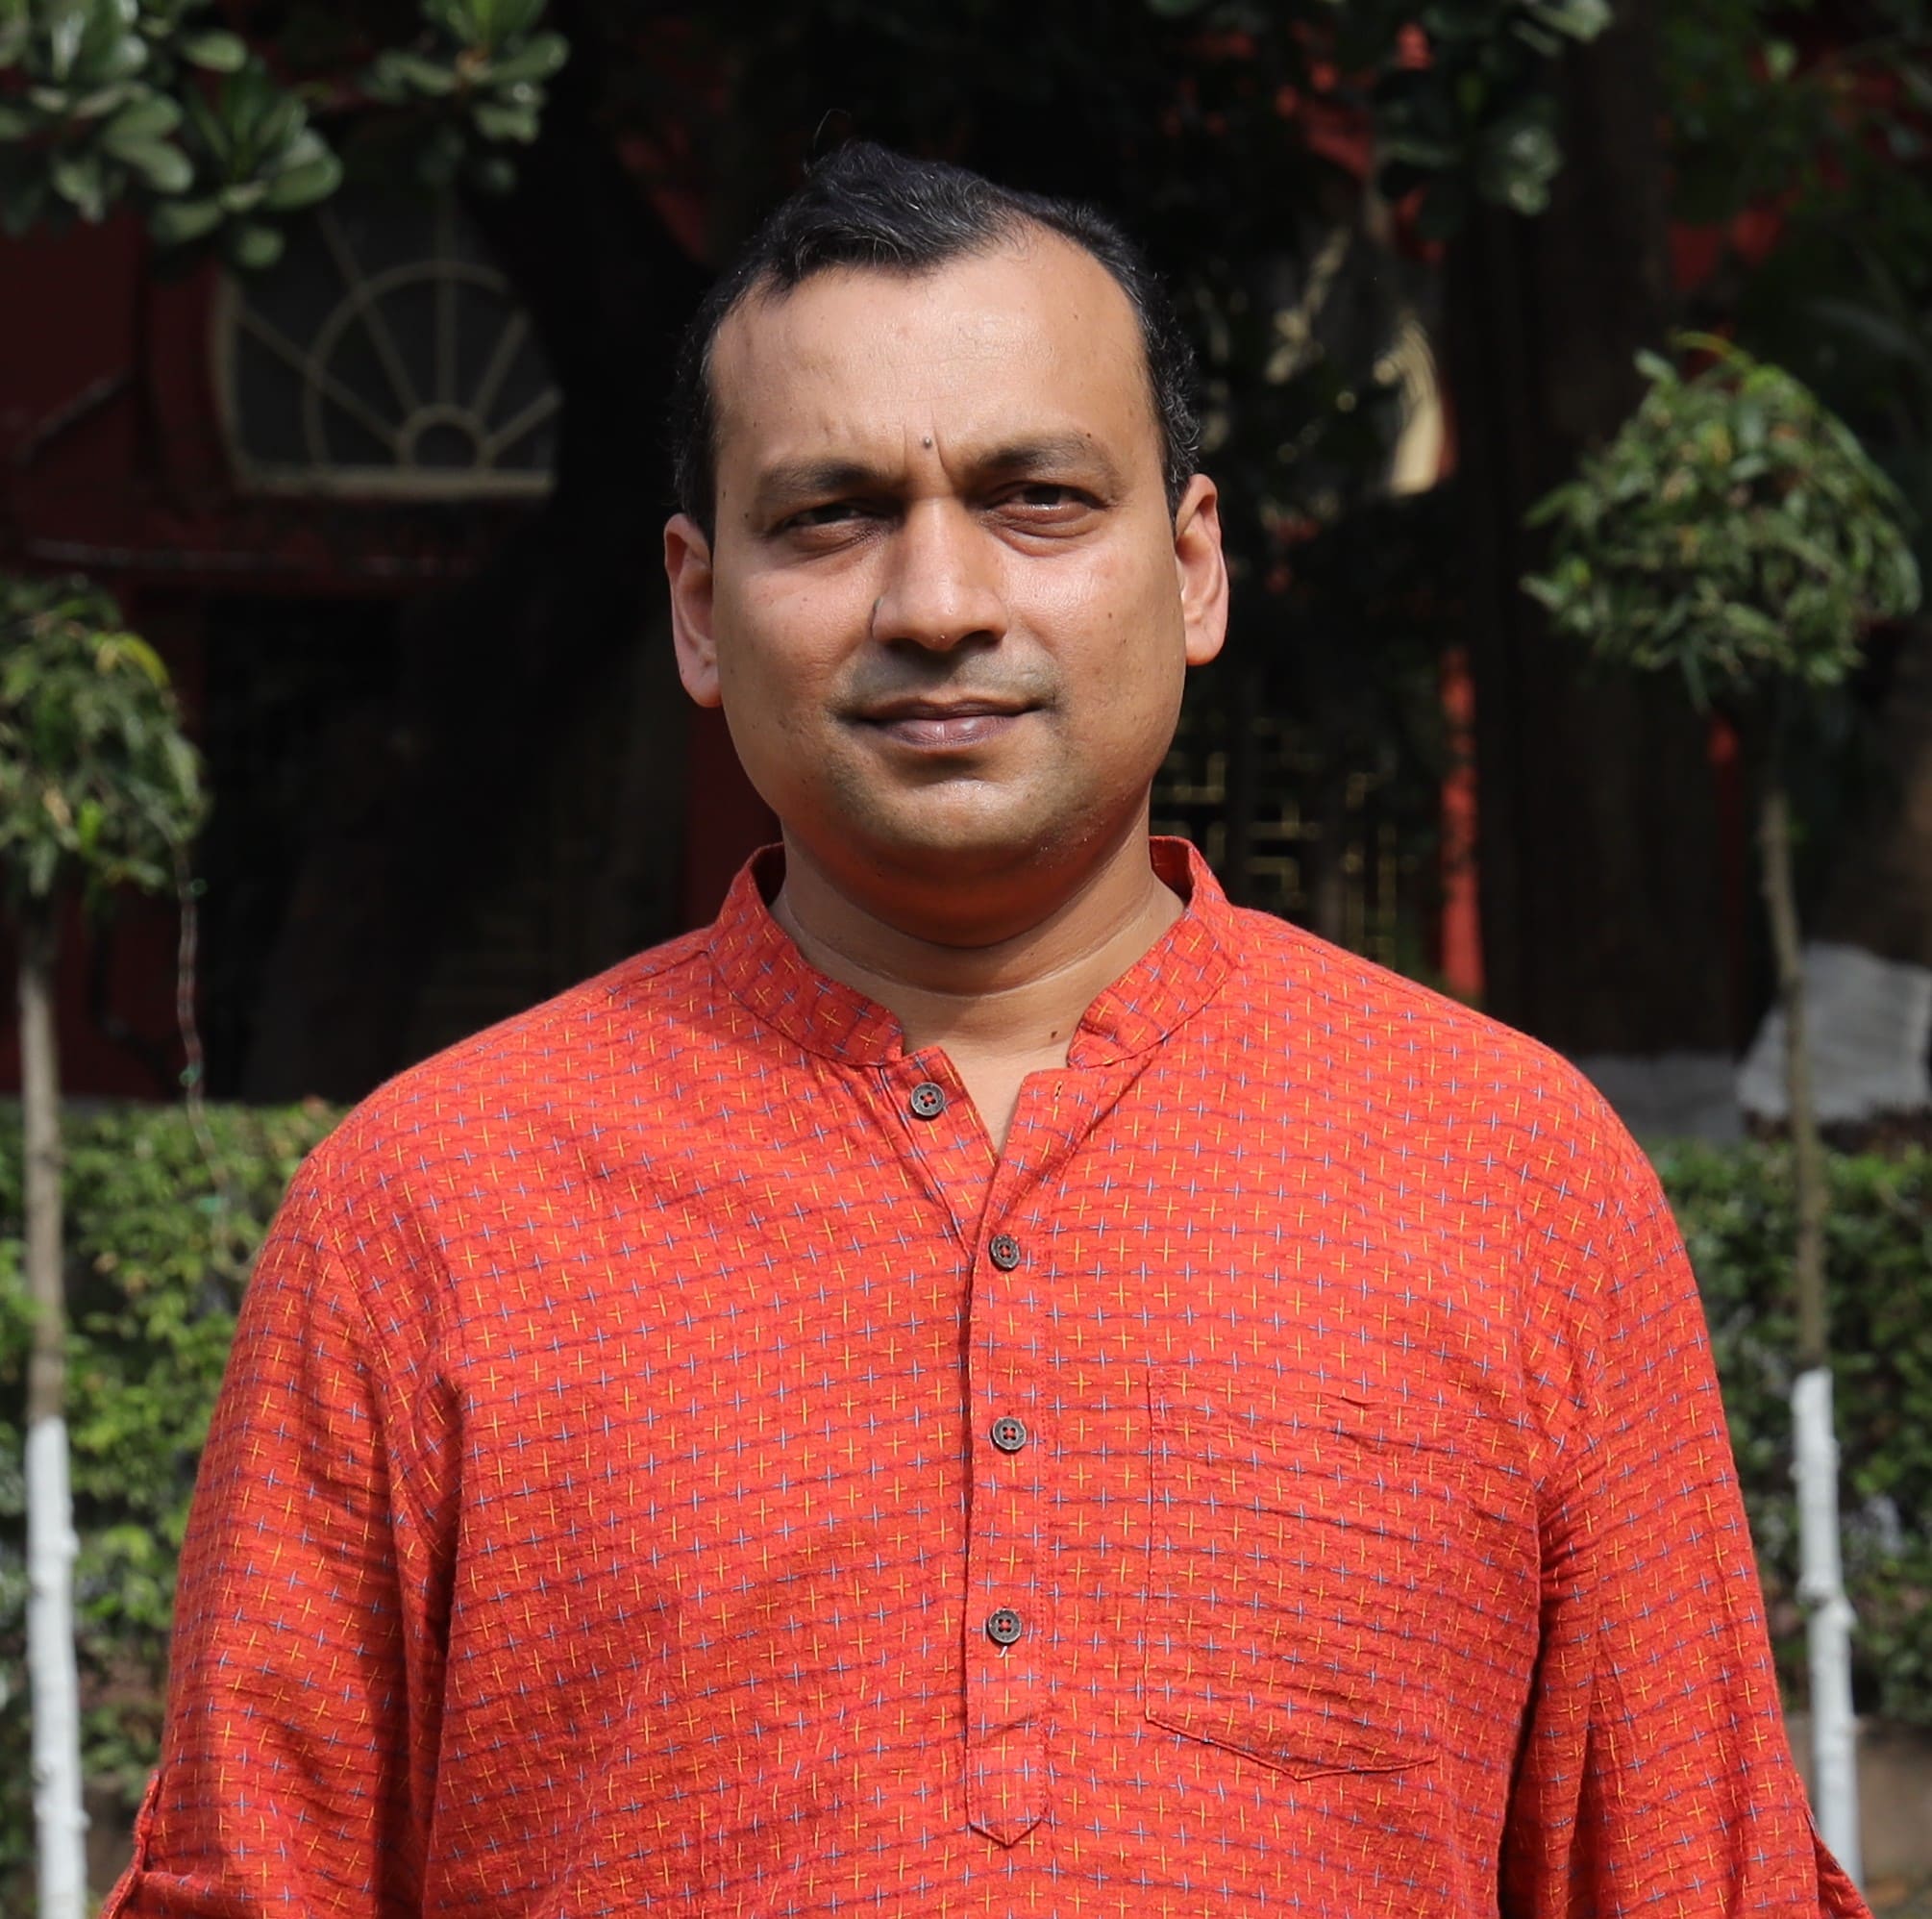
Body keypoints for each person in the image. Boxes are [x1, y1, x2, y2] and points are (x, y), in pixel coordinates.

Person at [110, 141, 1864, 1918]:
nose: (938, 605)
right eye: (831, 514)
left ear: (1192, 566)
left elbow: (1694, 1874)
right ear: (700, 608)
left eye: (1036, 498)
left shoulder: (1509, 1176)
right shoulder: (428, 1211)